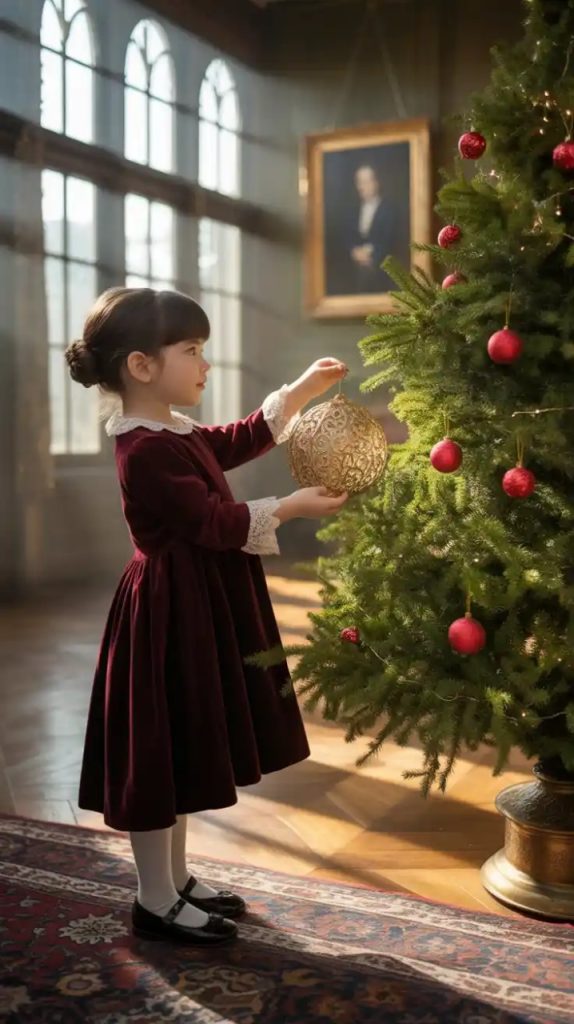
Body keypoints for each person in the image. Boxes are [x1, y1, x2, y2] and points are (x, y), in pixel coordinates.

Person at [65, 287, 349, 947]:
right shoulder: (144, 449)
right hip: (168, 609)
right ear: (141, 365)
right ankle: (152, 898)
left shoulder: (172, 431)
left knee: (185, 744)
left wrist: (300, 391)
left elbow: (236, 438)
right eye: (192, 350)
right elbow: (212, 522)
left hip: (197, 602)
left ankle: (177, 878)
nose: (204, 364)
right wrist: (290, 508)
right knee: (159, 749)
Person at [348, 164, 397, 293]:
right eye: (359, 182)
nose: (361, 187)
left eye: (366, 182)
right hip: (354, 269)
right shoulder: (352, 211)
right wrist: (354, 252)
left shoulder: (389, 210)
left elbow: (390, 241)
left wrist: (370, 254)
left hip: (381, 268)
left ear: (376, 183)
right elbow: (347, 239)